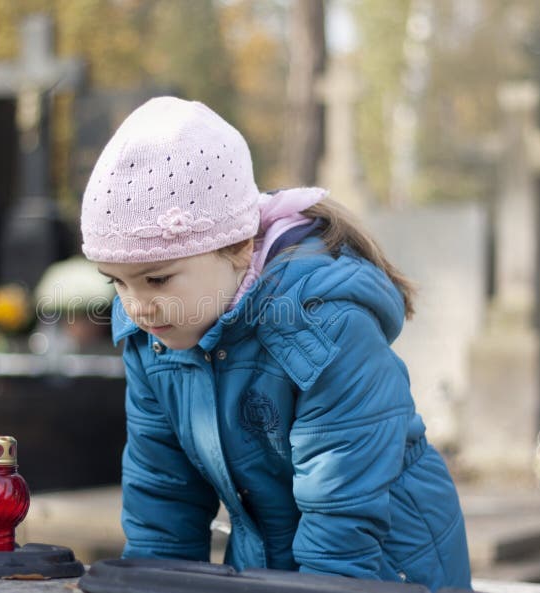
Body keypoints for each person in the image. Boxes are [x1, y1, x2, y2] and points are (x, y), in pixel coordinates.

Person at [79, 96, 471, 591]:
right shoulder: (153, 336)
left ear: (240, 246)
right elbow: (163, 496)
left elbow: (340, 517)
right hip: (269, 568)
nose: (135, 305)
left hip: (387, 567)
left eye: (156, 279)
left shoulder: (322, 326)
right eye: (116, 281)